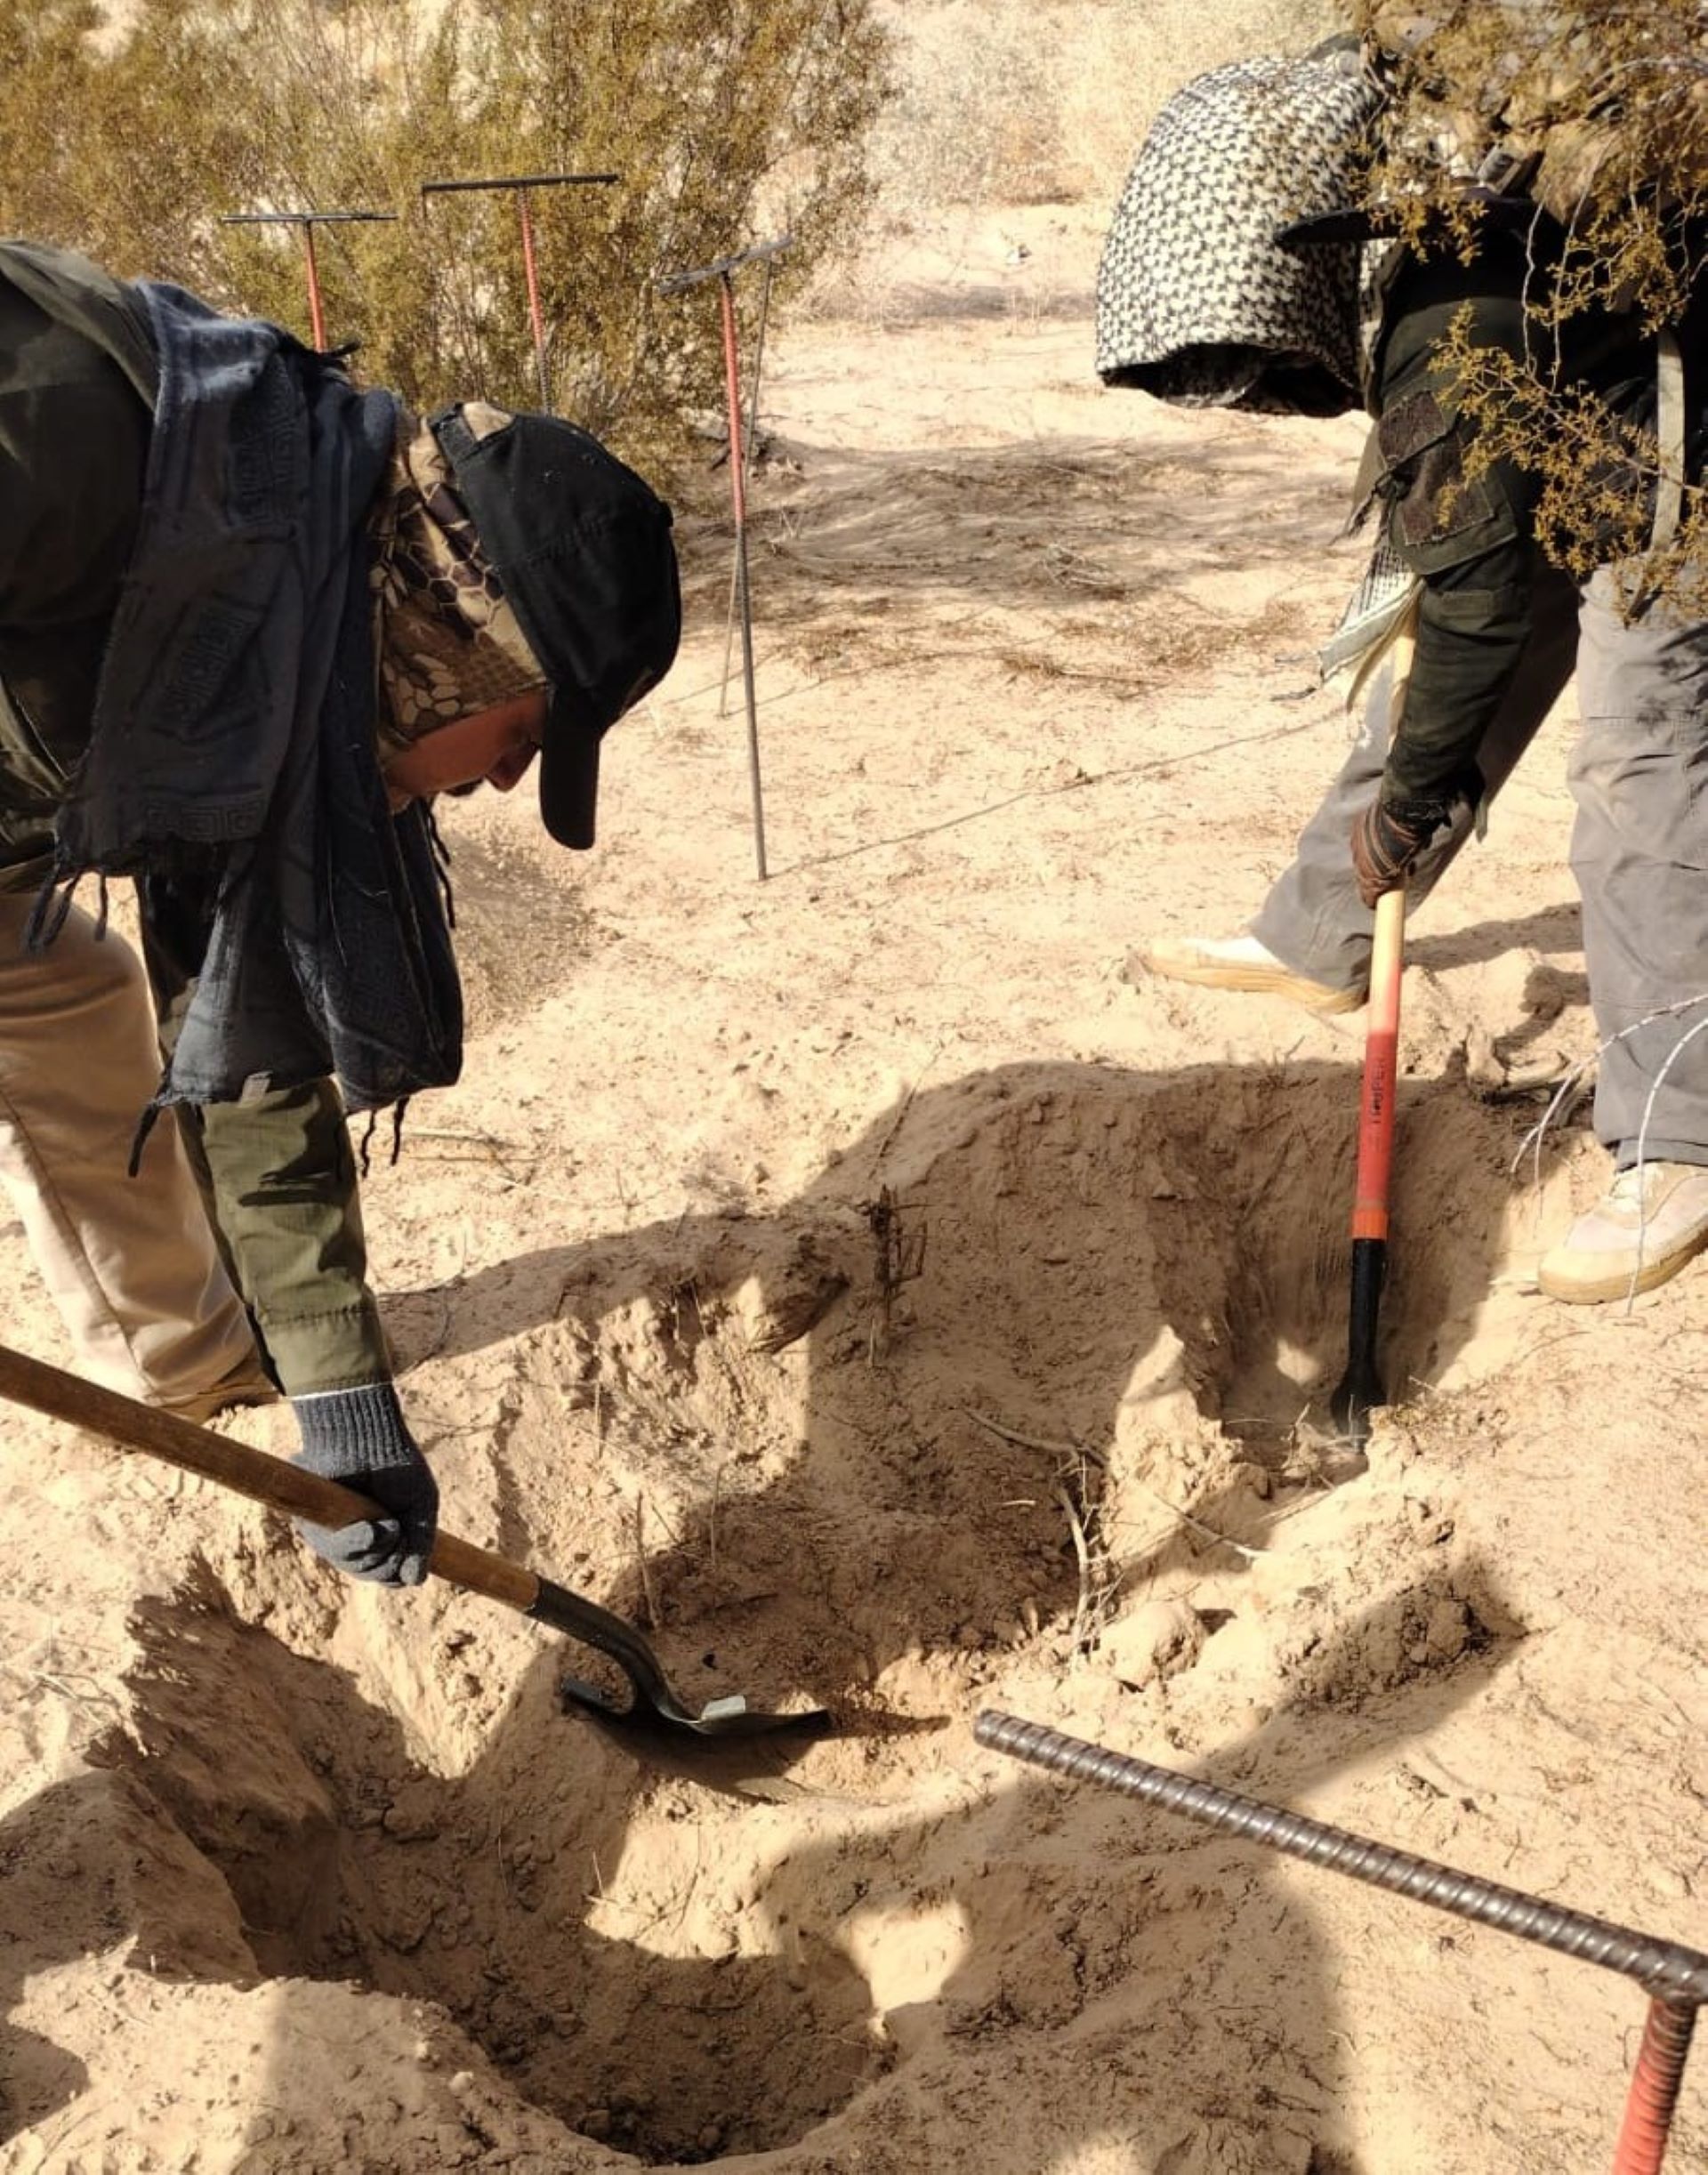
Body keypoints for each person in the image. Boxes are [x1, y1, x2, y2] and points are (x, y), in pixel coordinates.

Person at [0, 238, 681, 1583]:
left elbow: (247, 1036)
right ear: (460, 636)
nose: (497, 777)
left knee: (67, 992)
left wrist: (343, 1404)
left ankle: (194, 1378)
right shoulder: (77, 440)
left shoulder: (276, 655)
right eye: (523, 734)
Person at [1100, 39, 1708, 1307]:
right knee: (1427, 663)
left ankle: (1680, 1138)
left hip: (1674, 448)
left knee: (1638, 759)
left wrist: (1415, 793)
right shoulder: (1446, 270)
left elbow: (1479, 601)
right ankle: (1323, 934)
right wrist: (1409, 786)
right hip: (1585, 425)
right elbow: (1463, 585)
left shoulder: (1450, 318)